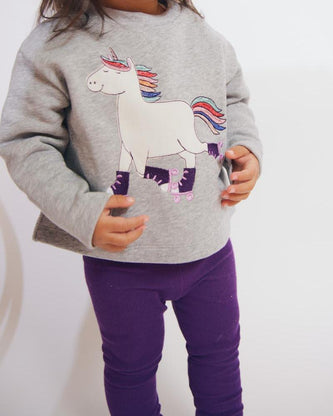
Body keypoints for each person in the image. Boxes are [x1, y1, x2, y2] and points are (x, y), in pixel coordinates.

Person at [0, 0, 263, 414]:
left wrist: (244, 146)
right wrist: (79, 208)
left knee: (219, 359)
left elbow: (231, 98)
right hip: (120, 263)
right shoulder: (54, 44)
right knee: (131, 370)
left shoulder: (200, 34)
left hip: (210, 251)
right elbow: (26, 140)